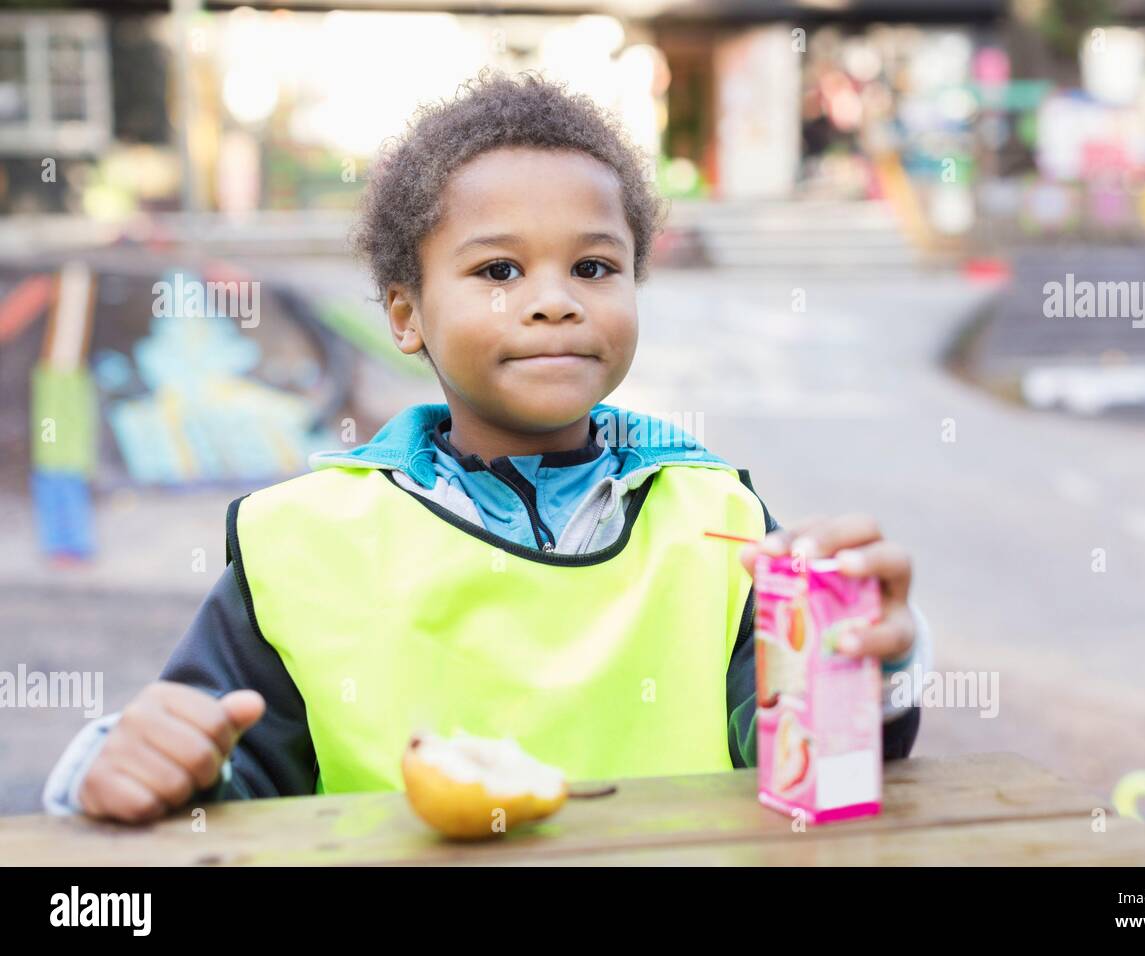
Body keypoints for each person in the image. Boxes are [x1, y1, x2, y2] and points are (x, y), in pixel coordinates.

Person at [44, 70, 932, 823]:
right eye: (498, 271)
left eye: (594, 268)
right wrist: (133, 764)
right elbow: (219, 787)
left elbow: (803, 758)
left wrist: (862, 664)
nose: (553, 302)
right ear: (405, 314)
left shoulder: (721, 521)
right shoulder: (300, 543)